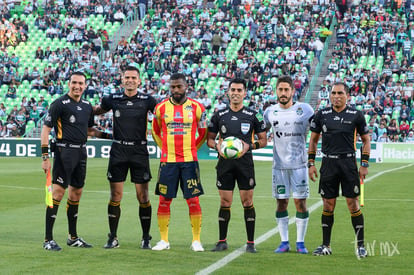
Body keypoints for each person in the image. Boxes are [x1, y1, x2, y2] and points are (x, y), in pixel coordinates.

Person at [41, 72, 110, 251]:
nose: (77, 86)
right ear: (69, 83)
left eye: (80, 83)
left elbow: (90, 131)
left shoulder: (87, 106)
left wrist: (111, 136)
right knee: (57, 193)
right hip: (64, 151)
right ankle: (48, 239)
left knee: (76, 194)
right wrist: (45, 157)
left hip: (81, 152)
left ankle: (73, 237)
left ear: (85, 86)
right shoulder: (59, 104)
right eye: (74, 83)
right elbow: (46, 129)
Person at [93, 66, 157, 249]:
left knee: (143, 196)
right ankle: (112, 237)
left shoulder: (147, 100)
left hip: (139, 151)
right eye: (126, 77)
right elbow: (96, 111)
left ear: (139, 81)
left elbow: (163, 116)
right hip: (118, 150)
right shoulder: (112, 99)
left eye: (133, 77)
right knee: (116, 195)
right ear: (121, 80)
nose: (129, 80)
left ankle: (146, 237)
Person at [308, 82, 370, 258]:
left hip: (348, 164)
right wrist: (311, 163)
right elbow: (313, 140)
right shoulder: (322, 115)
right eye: (333, 93)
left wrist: (364, 164)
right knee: (328, 204)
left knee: (353, 204)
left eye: (340, 93)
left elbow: (366, 140)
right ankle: (325, 245)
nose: (336, 96)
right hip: (328, 164)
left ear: (347, 95)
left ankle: (360, 246)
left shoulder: (356, 115)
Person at [207, 78, 267, 253]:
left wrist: (250, 146)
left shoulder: (254, 115)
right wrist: (217, 146)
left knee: (247, 201)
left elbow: (263, 140)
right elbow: (210, 139)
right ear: (228, 92)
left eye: (239, 90)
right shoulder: (219, 114)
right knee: (225, 201)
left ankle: (250, 243)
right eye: (232, 89)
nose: (235, 93)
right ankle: (222, 241)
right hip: (225, 164)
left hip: (245, 164)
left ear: (245, 93)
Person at [151, 73, 208, 252]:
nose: (176, 90)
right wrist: (166, 150)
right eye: (173, 87)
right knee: (164, 200)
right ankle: (164, 240)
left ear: (186, 86)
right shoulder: (160, 108)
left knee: (193, 200)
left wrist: (192, 149)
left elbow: (203, 133)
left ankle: (196, 240)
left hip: (189, 161)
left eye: (179, 87)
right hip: (168, 162)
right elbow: (155, 132)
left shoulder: (198, 108)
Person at [263, 75, 314, 254]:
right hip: (279, 167)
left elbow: (316, 131)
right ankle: (284, 242)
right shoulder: (270, 112)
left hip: (299, 166)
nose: (283, 93)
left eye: (286, 90)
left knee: (300, 203)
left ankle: (300, 242)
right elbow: (262, 132)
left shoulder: (305, 110)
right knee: (281, 203)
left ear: (293, 91)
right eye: (280, 89)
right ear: (276, 91)